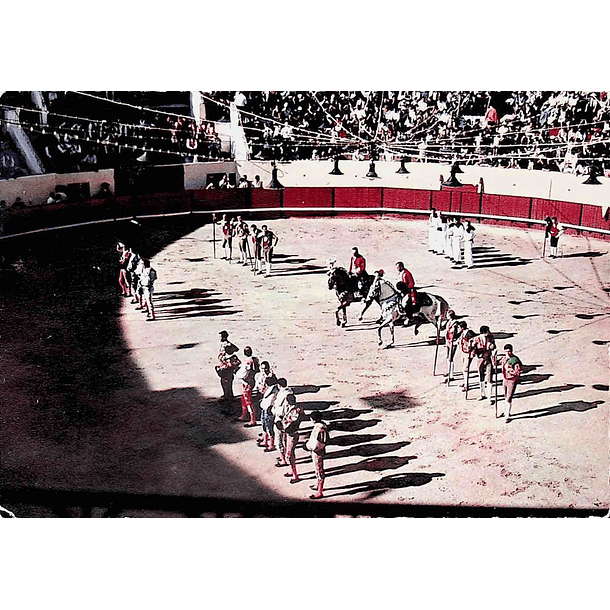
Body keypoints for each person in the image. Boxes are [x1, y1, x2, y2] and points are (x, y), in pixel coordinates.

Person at [278, 394, 304, 484]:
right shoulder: (293, 408)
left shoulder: (295, 410)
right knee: (288, 452)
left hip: (292, 434)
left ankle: (295, 475)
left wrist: (284, 428)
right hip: (288, 433)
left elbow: (295, 423)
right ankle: (291, 471)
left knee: (289, 454)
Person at [470, 325, 497, 404]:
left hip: (488, 358)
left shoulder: (491, 338)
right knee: (481, 376)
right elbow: (472, 348)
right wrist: (472, 349)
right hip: (480, 359)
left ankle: (489, 397)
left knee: (489, 378)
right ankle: (482, 394)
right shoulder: (476, 339)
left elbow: (494, 346)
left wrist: (492, 346)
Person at [306, 410, 329, 500]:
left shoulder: (318, 428)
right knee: (318, 469)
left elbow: (316, 443)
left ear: (313, 419)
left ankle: (320, 492)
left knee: (319, 470)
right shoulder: (322, 426)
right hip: (319, 450)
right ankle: (318, 485)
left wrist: (308, 446)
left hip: (317, 451)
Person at [255, 361, 279, 447]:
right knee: (264, 423)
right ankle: (265, 439)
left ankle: (271, 444)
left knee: (269, 426)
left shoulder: (273, 387)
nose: (263, 370)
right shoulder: (262, 376)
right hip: (264, 405)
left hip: (268, 408)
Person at [236, 347, 260, 427]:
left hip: (247, 383)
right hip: (251, 381)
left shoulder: (247, 362)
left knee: (248, 401)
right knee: (243, 398)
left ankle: (253, 420)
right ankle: (244, 415)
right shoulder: (255, 359)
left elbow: (244, 374)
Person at [272, 378, 293, 466]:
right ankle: (286, 456)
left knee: (279, 440)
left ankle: (283, 459)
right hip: (288, 420)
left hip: (280, 419)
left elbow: (280, 410)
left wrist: (273, 411)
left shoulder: (282, 395)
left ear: (279, 385)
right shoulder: (290, 392)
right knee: (285, 439)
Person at [499, 344, 522, 423]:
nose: (508, 353)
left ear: (511, 351)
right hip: (505, 379)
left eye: (509, 351)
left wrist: (509, 370)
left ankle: (507, 416)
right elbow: (497, 364)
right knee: (505, 396)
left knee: (509, 398)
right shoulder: (504, 358)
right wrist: (493, 359)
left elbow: (518, 372)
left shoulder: (514, 359)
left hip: (512, 380)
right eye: (506, 351)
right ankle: (506, 411)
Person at [216, 331, 240, 403]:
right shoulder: (225, 343)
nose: (220, 338)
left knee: (226, 381)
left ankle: (228, 397)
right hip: (224, 364)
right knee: (225, 381)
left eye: (221, 336)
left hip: (227, 366)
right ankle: (228, 395)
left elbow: (236, 349)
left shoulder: (227, 344)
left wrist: (228, 355)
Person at [444, 310, 460, 381]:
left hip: (453, 341)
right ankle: (448, 371)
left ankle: (451, 375)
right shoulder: (448, 322)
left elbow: (456, 332)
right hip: (448, 340)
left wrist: (453, 331)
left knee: (451, 358)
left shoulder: (456, 323)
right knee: (448, 357)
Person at [459, 326, 475, 391]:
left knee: (465, 369)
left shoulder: (469, 333)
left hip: (468, 353)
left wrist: (470, 346)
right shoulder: (463, 332)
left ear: (462, 328)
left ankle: (466, 385)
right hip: (464, 352)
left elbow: (473, 342)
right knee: (463, 368)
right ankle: (465, 382)